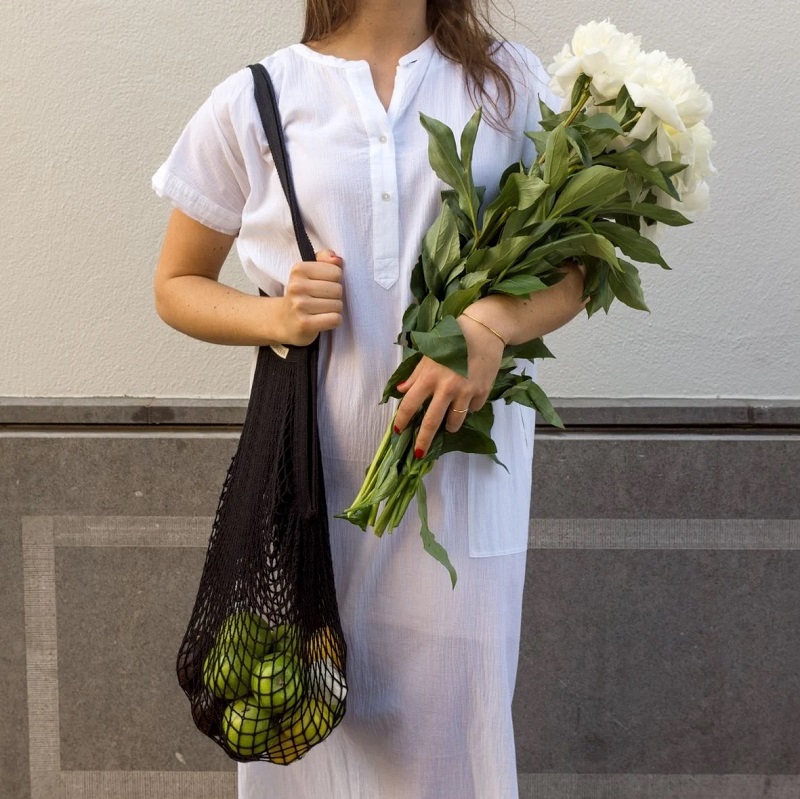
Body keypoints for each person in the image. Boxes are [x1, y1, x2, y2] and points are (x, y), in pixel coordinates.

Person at [151, 2, 587, 797]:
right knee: (303, 738)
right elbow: (176, 282)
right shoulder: (259, 98)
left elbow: (577, 265)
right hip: (309, 490)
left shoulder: (508, 84)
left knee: (454, 741)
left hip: (458, 488)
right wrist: (275, 316)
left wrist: (493, 324)